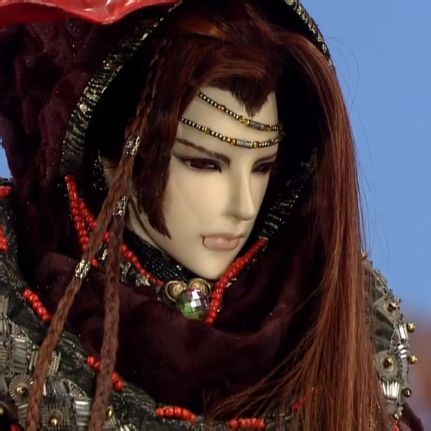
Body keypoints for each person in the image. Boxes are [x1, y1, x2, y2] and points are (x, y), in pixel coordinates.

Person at [0, 0, 423, 430]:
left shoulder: (316, 316)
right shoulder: (26, 284)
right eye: (204, 163)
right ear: (113, 155)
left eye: (262, 168)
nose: (243, 206)